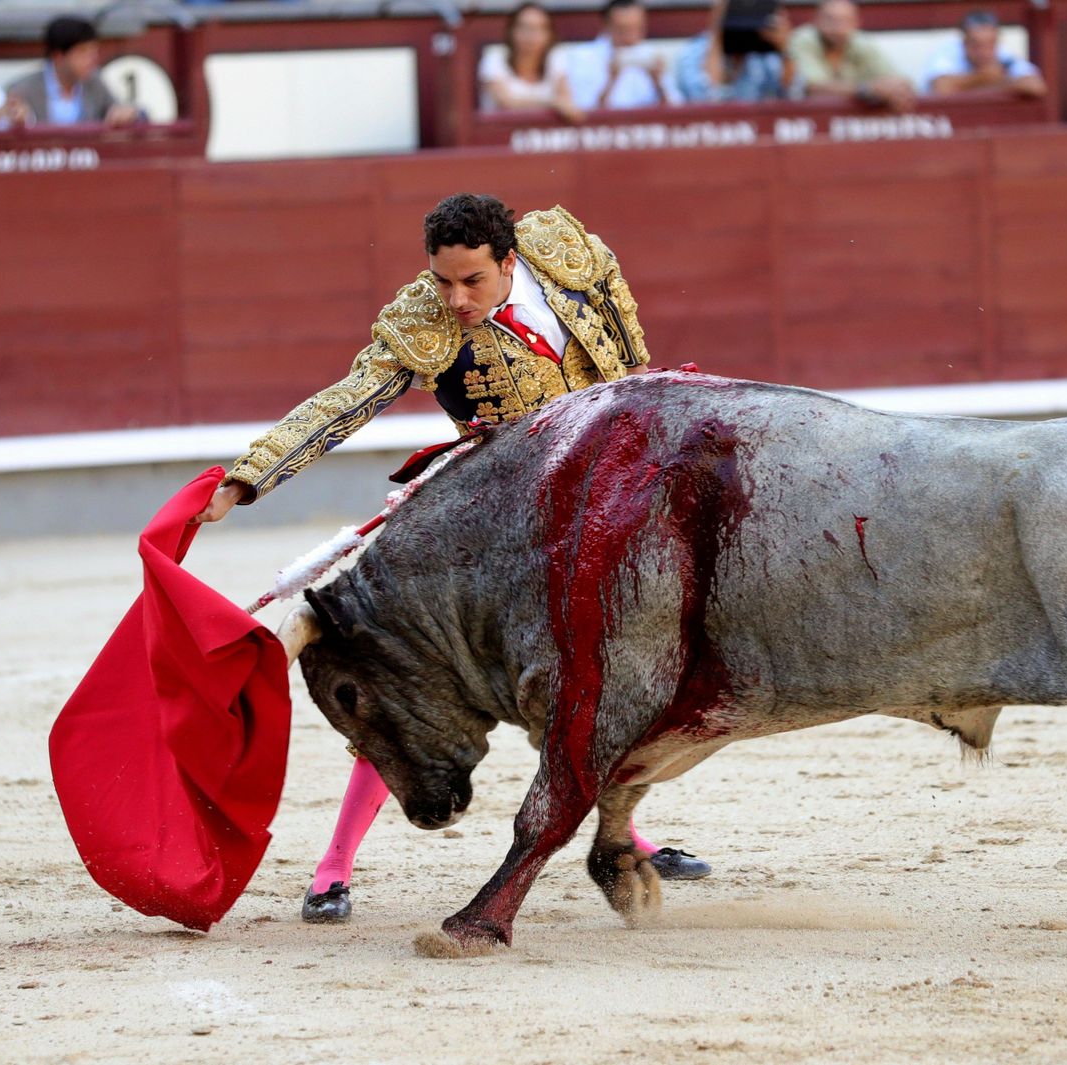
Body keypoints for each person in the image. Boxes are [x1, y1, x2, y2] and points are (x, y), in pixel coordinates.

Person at [196, 194, 713, 922]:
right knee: (405, 677)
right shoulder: (424, 321)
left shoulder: (566, 257)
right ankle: (333, 865)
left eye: (471, 281)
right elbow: (343, 403)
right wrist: (248, 476)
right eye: (442, 281)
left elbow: (632, 368)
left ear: (510, 261)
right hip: (499, 515)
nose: (455, 299)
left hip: (605, 501)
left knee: (613, 676)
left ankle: (623, 834)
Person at [5, 17, 139, 127]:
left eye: (93, 52)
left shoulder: (95, 83)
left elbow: (126, 111)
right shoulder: (23, 90)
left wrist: (126, 113)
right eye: (83, 52)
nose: (91, 60)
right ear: (57, 56)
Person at [787, 0, 915, 112]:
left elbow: (898, 79)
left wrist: (895, 90)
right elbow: (812, 87)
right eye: (830, 19)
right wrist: (867, 90)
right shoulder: (803, 40)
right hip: (807, 123)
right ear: (816, 20)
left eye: (844, 20)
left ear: (856, 23)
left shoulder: (861, 42)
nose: (837, 27)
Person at [561, 0, 676, 111]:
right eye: (623, 30)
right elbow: (583, 112)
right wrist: (611, 81)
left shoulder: (651, 55)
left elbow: (676, 111)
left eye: (637, 29)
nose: (630, 37)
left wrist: (657, 83)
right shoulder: (583, 58)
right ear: (606, 26)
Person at [676, 0, 800, 102]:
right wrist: (717, 31)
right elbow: (704, 100)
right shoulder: (694, 52)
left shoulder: (762, 55)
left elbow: (791, 95)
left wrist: (785, 49)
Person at [478, 3, 582, 123]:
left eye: (538, 29)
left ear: (549, 34)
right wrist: (552, 103)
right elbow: (506, 102)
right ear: (511, 31)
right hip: (497, 136)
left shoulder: (555, 57)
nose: (531, 36)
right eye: (524, 28)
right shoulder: (494, 58)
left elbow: (565, 99)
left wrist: (560, 103)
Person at [919, 10, 1045, 99]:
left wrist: (994, 82)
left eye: (990, 44)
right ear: (964, 42)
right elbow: (940, 88)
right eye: (976, 45)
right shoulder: (947, 53)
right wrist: (986, 78)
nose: (984, 52)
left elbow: (1036, 86)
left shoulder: (1005, 56)